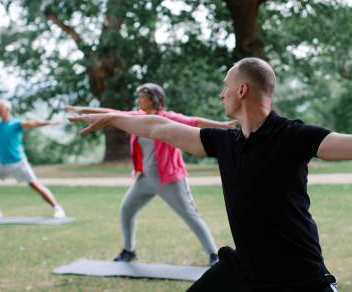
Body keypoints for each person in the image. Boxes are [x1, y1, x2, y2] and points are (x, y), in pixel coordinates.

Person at [67, 59, 346, 291]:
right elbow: (158, 126)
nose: (221, 93)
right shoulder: (225, 143)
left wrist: (111, 117)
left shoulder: (293, 136)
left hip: (299, 274)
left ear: (242, 90)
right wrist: (110, 117)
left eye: (226, 85)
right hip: (245, 269)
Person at [66, 83, 236, 266]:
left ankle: (213, 255)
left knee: (191, 215)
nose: (138, 100)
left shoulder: (167, 117)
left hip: (170, 180)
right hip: (145, 179)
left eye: (142, 96)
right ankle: (129, 251)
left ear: (153, 98)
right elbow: (110, 113)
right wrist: (81, 110)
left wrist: (224, 125)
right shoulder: (136, 117)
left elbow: (195, 122)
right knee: (126, 209)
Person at [0, 99, 66, 219]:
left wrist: (51, 122)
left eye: (1, 108)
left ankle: (57, 208)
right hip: (2, 162)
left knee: (35, 185)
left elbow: (34, 123)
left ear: (7, 110)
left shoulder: (16, 124)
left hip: (18, 162)